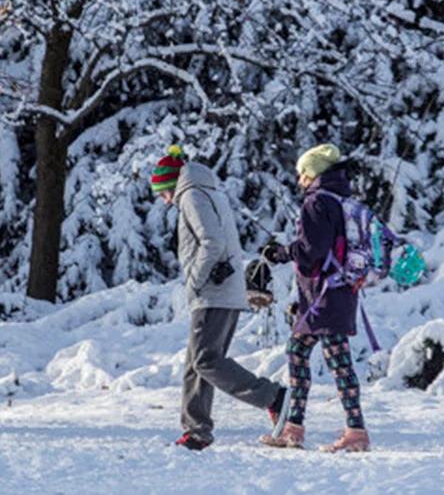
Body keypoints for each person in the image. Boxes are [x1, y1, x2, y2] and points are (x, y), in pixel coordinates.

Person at [151, 145, 289, 451]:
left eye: (163, 192)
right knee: (196, 362)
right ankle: (196, 429)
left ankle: (273, 397)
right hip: (220, 289)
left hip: (214, 291)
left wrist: (196, 281)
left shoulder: (192, 195)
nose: (163, 199)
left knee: (205, 360)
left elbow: (212, 242)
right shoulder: (206, 190)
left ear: (173, 184)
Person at [258, 143, 371, 452]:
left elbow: (310, 253)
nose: (299, 181)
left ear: (311, 174)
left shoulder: (316, 203)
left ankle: (354, 432)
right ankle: (295, 428)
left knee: (336, 361)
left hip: (324, 295)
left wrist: (281, 252)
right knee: (301, 352)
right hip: (338, 291)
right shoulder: (343, 199)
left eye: (301, 174)